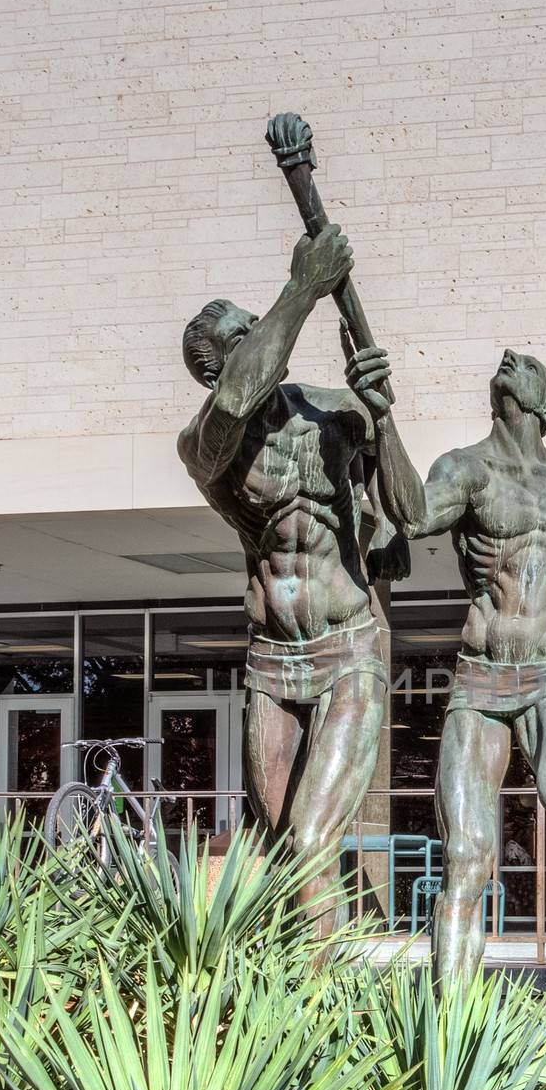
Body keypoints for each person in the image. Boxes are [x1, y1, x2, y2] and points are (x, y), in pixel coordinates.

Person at [349, 346, 546, 980]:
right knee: (466, 856)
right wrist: (384, 421)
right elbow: (414, 512)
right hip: (480, 677)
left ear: (545, 403)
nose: (508, 358)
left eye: (526, 363)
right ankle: (449, 1021)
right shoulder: (466, 469)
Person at [177, 224, 408, 932]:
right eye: (242, 337)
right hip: (275, 662)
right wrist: (304, 285)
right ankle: (294, 1005)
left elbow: (404, 505)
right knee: (282, 848)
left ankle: (317, 1015)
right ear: (215, 370)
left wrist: (382, 420)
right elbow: (240, 397)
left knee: (312, 840)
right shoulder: (206, 445)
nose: (262, 338)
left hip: (349, 650)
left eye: (260, 328)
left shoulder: (331, 412)